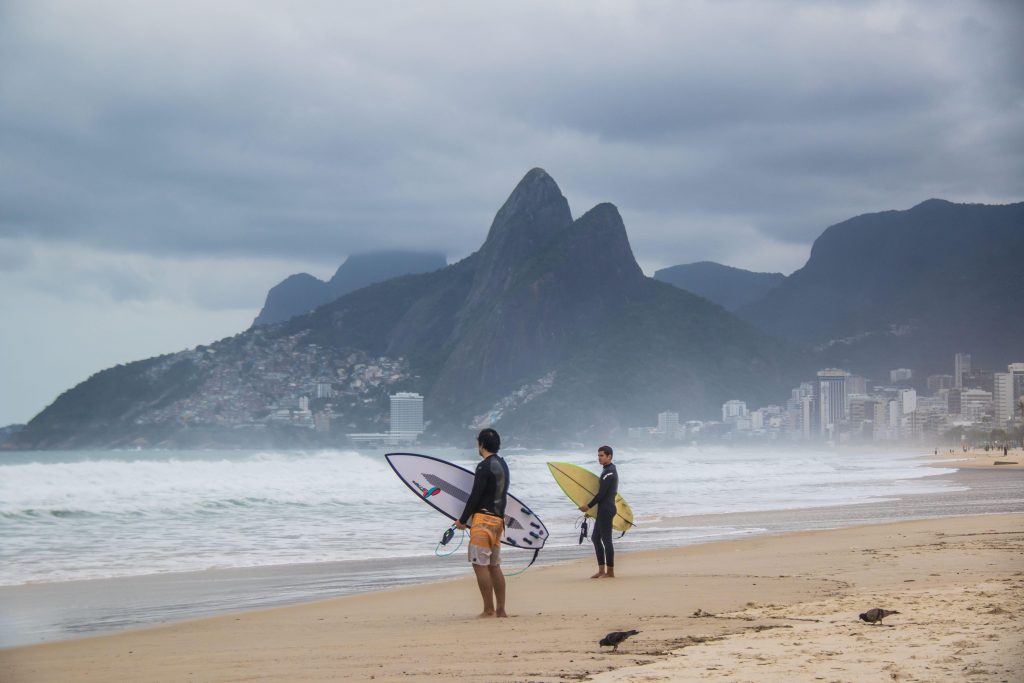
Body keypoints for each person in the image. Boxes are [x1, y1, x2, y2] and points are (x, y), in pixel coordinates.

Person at [455, 428, 509, 617]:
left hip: (483, 521)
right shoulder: (503, 465)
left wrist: (462, 520)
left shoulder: (483, 466)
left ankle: (488, 610)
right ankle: (501, 609)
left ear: (482, 444)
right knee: (494, 566)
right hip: (498, 521)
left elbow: (475, 495)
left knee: (479, 565)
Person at [579, 445, 618, 578]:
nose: (599, 458)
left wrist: (588, 506)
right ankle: (601, 570)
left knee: (607, 540)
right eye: (598, 455)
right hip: (603, 509)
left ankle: (610, 571)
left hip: (606, 510)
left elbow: (601, 494)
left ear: (609, 456)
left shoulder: (609, 472)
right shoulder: (606, 470)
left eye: (601, 455)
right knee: (595, 538)